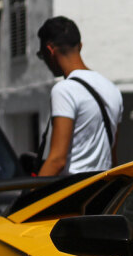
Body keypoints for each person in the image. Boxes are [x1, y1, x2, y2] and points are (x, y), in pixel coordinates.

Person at [35, 17, 124, 176]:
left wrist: (31, 197)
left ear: (50, 51)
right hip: (101, 193)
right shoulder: (113, 90)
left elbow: (57, 160)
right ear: (80, 46)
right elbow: (112, 158)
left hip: (74, 193)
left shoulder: (64, 90)